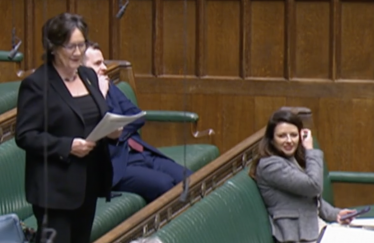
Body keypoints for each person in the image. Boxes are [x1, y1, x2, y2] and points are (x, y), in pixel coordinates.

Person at [15, 13, 120, 243]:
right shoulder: (37, 85)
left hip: (88, 182)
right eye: (70, 46)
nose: (77, 52)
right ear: (53, 47)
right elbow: (25, 136)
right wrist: (67, 146)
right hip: (55, 190)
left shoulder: (88, 75)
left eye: (81, 45)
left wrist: (112, 132)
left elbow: (97, 116)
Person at [83, 41, 193, 203]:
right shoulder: (83, 97)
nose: (105, 68)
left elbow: (136, 116)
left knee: (190, 179)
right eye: (98, 63)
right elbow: (94, 131)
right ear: (82, 69)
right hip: (114, 166)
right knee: (165, 185)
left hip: (138, 151)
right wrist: (101, 95)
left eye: (104, 62)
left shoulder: (108, 84)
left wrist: (118, 134)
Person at [248, 109, 356, 243]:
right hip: (298, 237)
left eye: (293, 135)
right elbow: (313, 186)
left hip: (316, 229)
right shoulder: (270, 166)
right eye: (282, 136)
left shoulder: (289, 159)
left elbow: (308, 198)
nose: (289, 140)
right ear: (271, 140)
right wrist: (310, 150)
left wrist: (335, 214)